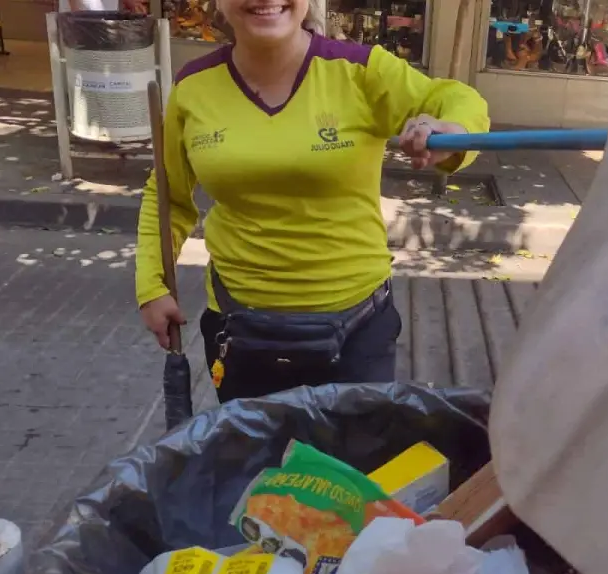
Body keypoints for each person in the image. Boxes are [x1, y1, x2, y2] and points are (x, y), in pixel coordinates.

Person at [134, 0, 490, 404]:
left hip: (357, 332)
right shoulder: (193, 87)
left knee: (351, 466)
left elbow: (457, 98)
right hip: (240, 332)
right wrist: (152, 286)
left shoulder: (362, 71)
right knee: (258, 466)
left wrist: (449, 130)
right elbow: (168, 196)